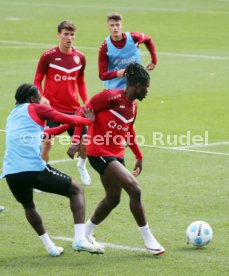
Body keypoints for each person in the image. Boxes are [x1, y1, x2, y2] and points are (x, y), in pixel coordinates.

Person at [67, 63, 165, 256]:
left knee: (113, 199)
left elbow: (128, 130)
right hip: (99, 152)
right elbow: (81, 112)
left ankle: (85, 233)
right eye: (146, 86)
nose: (147, 90)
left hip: (116, 154)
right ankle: (149, 240)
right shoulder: (109, 97)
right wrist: (77, 140)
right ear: (136, 85)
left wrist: (138, 155)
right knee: (134, 189)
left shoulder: (134, 106)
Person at [1, 84, 104, 256]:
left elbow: (46, 134)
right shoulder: (37, 108)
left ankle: (50, 247)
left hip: (11, 173)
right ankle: (79, 239)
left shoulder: (13, 115)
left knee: (29, 206)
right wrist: (89, 121)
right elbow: (68, 119)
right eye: (40, 96)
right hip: (33, 169)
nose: (42, 99)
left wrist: (66, 126)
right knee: (76, 190)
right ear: (32, 99)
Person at [34, 20, 91, 185]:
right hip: (51, 109)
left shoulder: (80, 57)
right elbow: (38, 80)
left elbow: (81, 81)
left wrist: (85, 101)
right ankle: (41, 177)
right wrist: (41, 98)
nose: (69, 38)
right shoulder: (48, 56)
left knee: (85, 145)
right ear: (59, 34)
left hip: (73, 110)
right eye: (66, 34)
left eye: (72, 34)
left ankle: (81, 165)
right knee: (46, 143)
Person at [98, 12, 157, 90]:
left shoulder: (133, 37)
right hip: (115, 88)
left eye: (117, 25)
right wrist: (117, 74)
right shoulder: (105, 48)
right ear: (108, 27)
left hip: (134, 84)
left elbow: (148, 40)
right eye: (112, 25)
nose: (115, 28)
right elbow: (102, 75)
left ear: (122, 26)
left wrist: (154, 60)